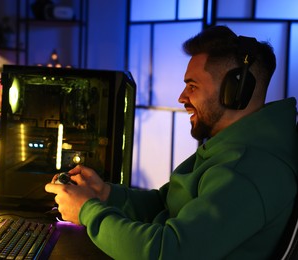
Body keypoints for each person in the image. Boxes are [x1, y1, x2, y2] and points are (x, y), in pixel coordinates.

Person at [45, 25, 298, 259]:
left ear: (235, 91)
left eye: (192, 86)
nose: (181, 97)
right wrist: (105, 194)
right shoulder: (231, 146)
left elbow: (167, 251)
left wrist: (87, 210)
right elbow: (164, 205)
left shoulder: (250, 170)